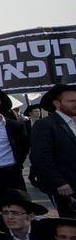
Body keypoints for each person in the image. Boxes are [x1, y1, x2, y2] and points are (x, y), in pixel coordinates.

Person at [31, 82, 76, 217]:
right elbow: (42, 157)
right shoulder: (45, 125)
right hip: (65, 188)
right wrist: (60, 182)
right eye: (71, 101)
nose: (75, 103)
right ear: (57, 103)